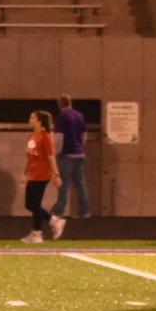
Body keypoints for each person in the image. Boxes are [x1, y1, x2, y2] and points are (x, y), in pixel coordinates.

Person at [21, 110, 60, 244]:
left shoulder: (46, 136)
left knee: (35, 204)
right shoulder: (32, 136)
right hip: (33, 174)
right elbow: (30, 156)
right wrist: (24, 173)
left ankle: (37, 234)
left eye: (33, 117)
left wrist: (56, 175)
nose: (30, 119)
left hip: (42, 174)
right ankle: (53, 221)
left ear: (39, 121)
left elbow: (50, 157)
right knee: (29, 204)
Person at [50, 95, 88, 230]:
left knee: (63, 184)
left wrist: (56, 153)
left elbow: (59, 137)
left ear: (60, 104)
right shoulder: (80, 116)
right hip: (79, 153)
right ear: (70, 103)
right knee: (80, 183)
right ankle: (84, 210)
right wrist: (80, 147)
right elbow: (84, 135)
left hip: (66, 154)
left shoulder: (61, 117)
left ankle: (58, 211)